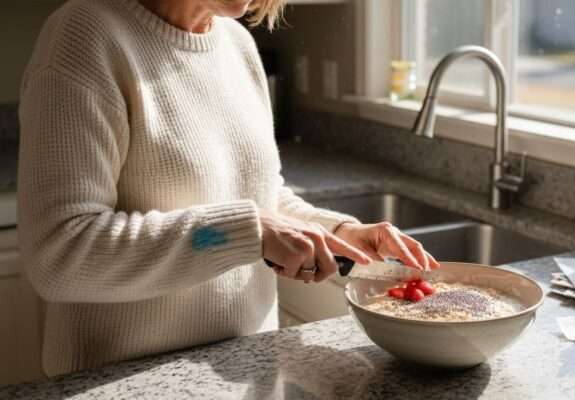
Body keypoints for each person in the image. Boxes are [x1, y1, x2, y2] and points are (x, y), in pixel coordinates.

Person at [17, 0, 438, 376]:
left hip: (246, 373)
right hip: (125, 382)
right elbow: (61, 254)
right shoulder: (85, 35)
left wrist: (339, 234)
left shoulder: (237, 44)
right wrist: (245, 231)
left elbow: (263, 198)